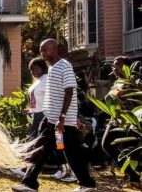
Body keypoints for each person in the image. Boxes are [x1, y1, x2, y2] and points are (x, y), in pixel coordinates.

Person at [12, 39, 96, 192]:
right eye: (41, 50)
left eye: (46, 50)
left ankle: (87, 184)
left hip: (62, 122)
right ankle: (29, 183)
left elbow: (70, 91)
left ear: (55, 49)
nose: (43, 53)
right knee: (40, 149)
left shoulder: (64, 66)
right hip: (50, 119)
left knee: (70, 152)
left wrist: (63, 117)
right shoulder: (52, 68)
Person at [101, 56, 140, 188]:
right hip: (116, 120)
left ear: (126, 67)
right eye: (114, 65)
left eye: (118, 65)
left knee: (131, 150)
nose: (114, 67)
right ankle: (132, 175)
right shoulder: (117, 82)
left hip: (130, 120)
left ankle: (134, 177)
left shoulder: (133, 81)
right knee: (107, 144)